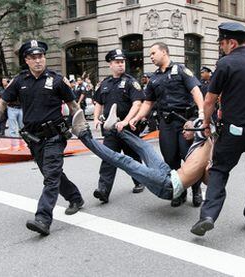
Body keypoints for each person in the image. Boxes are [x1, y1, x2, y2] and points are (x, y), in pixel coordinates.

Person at [0, 40, 84, 236]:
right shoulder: (20, 81)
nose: (38, 60)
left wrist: (82, 127)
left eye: (41, 56)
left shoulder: (56, 79)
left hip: (55, 136)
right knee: (51, 174)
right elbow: (1, 103)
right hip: (34, 139)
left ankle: (43, 218)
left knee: (51, 176)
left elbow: (73, 106)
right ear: (26, 60)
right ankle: (75, 197)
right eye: (33, 57)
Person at [190, 22, 245, 236]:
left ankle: (208, 215)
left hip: (234, 129)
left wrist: (206, 123)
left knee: (219, 170)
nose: (221, 47)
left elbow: (209, 100)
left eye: (223, 43)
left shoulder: (226, 63)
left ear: (232, 42)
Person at [72, 106, 213, 202]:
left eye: (186, 128)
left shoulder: (204, 137)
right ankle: (115, 128)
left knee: (123, 160)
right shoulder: (204, 145)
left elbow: (205, 122)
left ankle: (82, 133)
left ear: (200, 130)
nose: (183, 132)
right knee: (145, 147)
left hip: (167, 186)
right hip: (169, 174)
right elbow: (206, 180)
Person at [129, 42, 204, 207]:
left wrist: (202, 113)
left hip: (185, 122)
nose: (151, 57)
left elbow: (196, 91)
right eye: (150, 54)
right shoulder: (154, 78)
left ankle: (196, 190)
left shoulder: (181, 70)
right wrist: (136, 117)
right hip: (166, 124)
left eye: (153, 53)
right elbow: (148, 103)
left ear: (164, 52)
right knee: (171, 160)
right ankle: (180, 191)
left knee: (190, 159)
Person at [92, 49, 146, 202]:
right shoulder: (105, 83)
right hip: (111, 129)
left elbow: (137, 104)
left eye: (122, 62)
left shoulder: (131, 82)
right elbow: (98, 102)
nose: (121, 65)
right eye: (117, 62)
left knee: (132, 157)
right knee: (108, 158)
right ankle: (103, 190)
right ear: (110, 64)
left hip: (127, 128)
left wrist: (126, 121)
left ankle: (139, 181)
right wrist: (96, 118)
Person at [3, 77, 25, 150]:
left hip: (20, 108)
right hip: (12, 108)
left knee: (22, 128)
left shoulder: (21, 87)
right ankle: (15, 146)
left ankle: (23, 145)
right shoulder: (8, 89)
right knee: (13, 128)